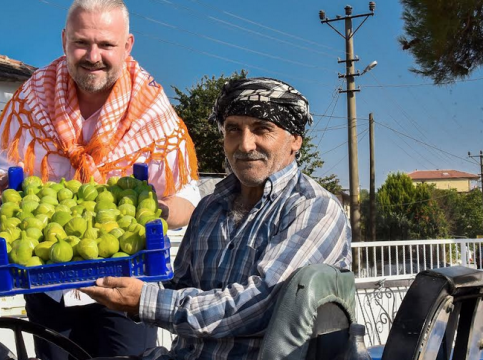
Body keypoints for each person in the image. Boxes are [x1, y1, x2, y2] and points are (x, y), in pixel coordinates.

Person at [0, 0, 200, 358]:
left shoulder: (153, 111)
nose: (93, 56)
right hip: (47, 282)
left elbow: (187, 195)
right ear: (64, 40)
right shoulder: (32, 99)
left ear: (127, 46)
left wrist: (160, 210)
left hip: (125, 285)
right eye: (82, 43)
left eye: (107, 45)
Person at [82, 77, 352, 360]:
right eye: (234, 129)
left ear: (295, 140)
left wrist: (145, 302)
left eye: (262, 129)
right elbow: (178, 288)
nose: (245, 145)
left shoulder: (314, 208)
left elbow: (259, 304)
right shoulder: (209, 208)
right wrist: (113, 277)